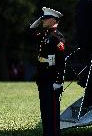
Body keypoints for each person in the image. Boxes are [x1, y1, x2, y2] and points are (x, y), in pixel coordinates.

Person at [29, 7, 65, 136]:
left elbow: (61, 62)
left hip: (52, 78)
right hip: (43, 77)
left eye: (45, 18)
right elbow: (29, 34)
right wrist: (38, 21)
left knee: (52, 111)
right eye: (42, 18)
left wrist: (58, 81)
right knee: (44, 110)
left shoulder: (57, 38)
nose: (43, 20)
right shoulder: (45, 35)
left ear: (53, 20)